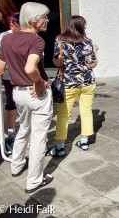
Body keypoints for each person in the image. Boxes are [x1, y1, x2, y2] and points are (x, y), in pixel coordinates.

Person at [0, 2, 53, 193]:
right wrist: (38, 81)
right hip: (36, 93)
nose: (47, 20)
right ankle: (34, 180)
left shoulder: (7, 39)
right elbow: (30, 68)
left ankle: (16, 165)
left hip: (17, 93)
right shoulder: (36, 41)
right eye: (43, 17)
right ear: (32, 20)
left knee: (24, 129)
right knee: (38, 137)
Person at [46, 15, 98, 157]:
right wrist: (84, 67)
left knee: (63, 115)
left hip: (69, 83)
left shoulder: (60, 39)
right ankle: (85, 141)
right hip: (88, 82)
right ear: (80, 26)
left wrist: (68, 63)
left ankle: (60, 147)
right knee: (86, 112)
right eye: (84, 25)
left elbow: (57, 62)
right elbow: (94, 63)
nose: (86, 27)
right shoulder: (88, 42)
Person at [0, 13, 21, 153]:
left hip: (25, 77)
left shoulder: (30, 37)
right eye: (10, 25)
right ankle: (11, 134)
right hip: (8, 76)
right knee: (11, 102)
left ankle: (25, 133)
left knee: (25, 104)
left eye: (14, 25)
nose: (11, 27)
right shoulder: (4, 36)